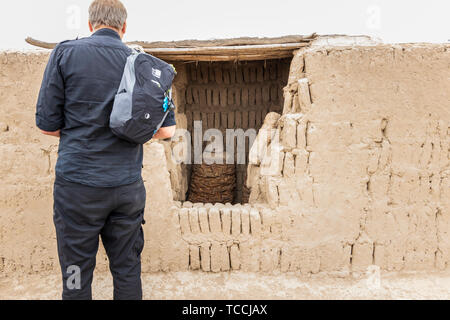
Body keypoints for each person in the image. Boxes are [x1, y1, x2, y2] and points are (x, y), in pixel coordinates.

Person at [35, 0, 176, 300]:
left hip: (77, 189)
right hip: (126, 189)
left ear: (90, 24)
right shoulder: (144, 65)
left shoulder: (65, 53)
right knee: (127, 268)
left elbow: (46, 126)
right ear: (124, 28)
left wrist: (79, 132)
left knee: (76, 271)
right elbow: (167, 130)